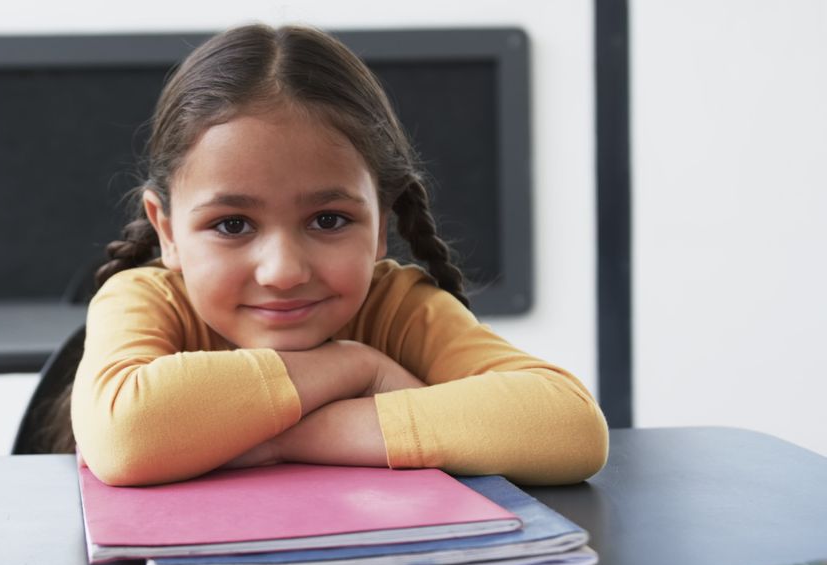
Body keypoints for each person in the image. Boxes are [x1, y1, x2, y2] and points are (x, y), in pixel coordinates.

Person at [53, 23, 608, 487]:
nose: (284, 271)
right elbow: (125, 438)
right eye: (232, 224)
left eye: (328, 220)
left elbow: (569, 427)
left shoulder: (398, 307)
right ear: (168, 232)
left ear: (380, 223)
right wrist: (352, 368)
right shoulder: (143, 298)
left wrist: (279, 440)